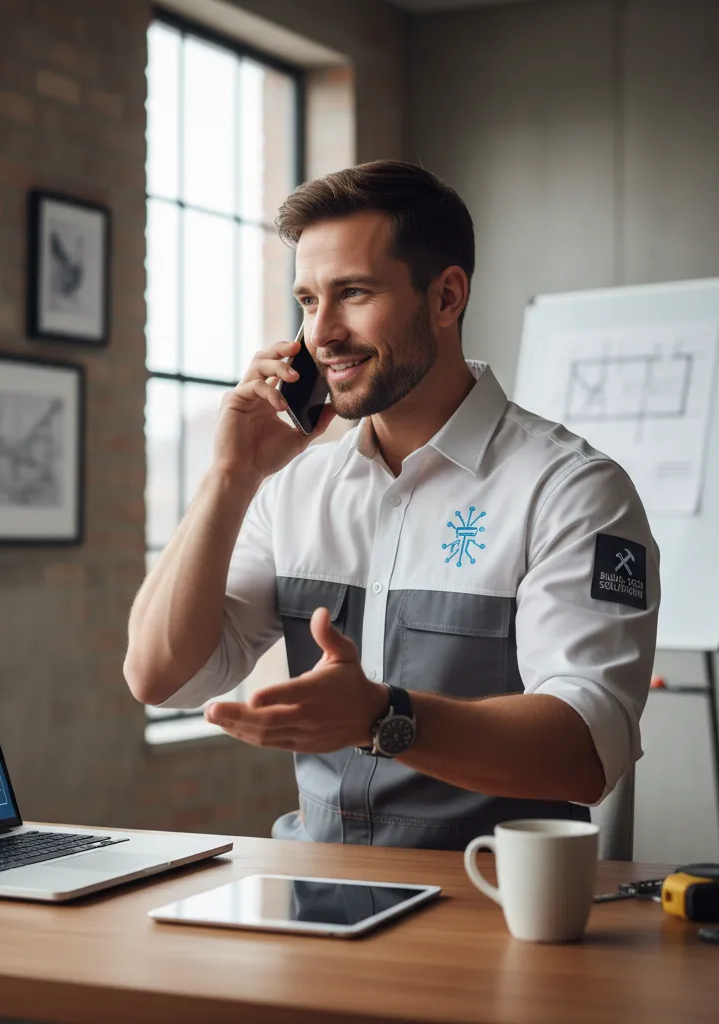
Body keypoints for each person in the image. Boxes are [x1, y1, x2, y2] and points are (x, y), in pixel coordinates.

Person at [124, 160, 660, 850]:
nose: (322, 333)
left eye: (352, 292)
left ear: (446, 297)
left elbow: (587, 750)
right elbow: (160, 677)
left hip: (494, 908)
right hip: (316, 895)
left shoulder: (573, 491)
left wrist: (381, 717)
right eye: (309, 301)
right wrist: (230, 477)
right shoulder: (289, 486)